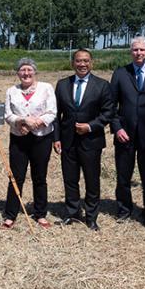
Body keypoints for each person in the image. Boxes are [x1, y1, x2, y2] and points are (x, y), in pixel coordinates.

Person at [54, 49, 114, 231]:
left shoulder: (102, 85)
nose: (82, 64)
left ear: (91, 63)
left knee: (92, 180)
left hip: (91, 141)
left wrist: (90, 126)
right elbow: (56, 115)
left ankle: (91, 216)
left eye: (86, 61)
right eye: (79, 61)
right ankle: (72, 213)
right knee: (70, 179)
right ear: (73, 63)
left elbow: (108, 112)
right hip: (68, 141)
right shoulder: (62, 84)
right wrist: (56, 138)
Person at [109, 36, 145, 226]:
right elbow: (111, 106)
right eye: (135, 50)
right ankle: (124, 209)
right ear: (130, 52)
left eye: (142, 50)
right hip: (124, 134)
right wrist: (116, 128)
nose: (138, 53)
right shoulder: (120, 73)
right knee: (123, 175)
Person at [2, 58, 57, 230]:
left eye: (29, 70)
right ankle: (11, 214)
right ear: (17, 73)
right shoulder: (11, 91)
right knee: (16, 177)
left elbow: (52, 112)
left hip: (42, 138)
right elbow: (8, 114)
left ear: (34, 71)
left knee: (39, 176)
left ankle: (40, 214)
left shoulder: (46, 88)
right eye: (22, 70)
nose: (26, 73)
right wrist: (21, 122)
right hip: (19, 138)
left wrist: (36, 123)